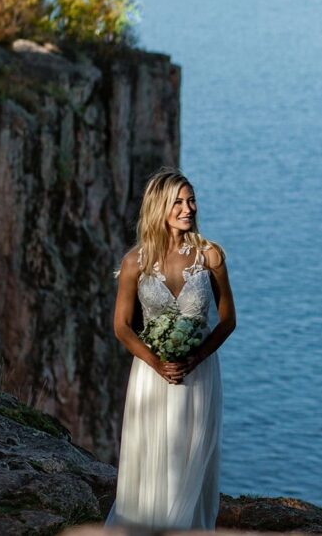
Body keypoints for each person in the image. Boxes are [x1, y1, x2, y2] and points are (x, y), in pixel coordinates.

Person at [106, 167, 237, 530]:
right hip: (151, 374)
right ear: (159, 207)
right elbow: (122, 326)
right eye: (177, 201)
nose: (188, 208)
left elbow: (228, 320)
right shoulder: (135, 262)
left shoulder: (210, 256)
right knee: (151, 455)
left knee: (190, 454)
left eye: (191, 199)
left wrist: (195, 358)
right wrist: (156, 361)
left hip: (200, 373)